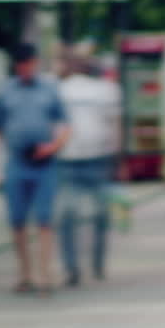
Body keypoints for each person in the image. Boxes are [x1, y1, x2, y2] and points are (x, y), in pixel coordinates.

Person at [0, 44, 70, 295]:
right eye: (21, 65)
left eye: (30, 64)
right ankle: (24, 274)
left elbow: (66, 125)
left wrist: (54, 146)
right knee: (17, 221)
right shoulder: (5, 92)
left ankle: (45, 274)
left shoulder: (49, 90)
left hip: (45, 162)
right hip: (17, 161)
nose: (26, 69)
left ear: (35, 63)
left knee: (45, 219)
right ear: (16, 66)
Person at [55, 50, 121, 288]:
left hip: (89, 157)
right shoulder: (60, 89)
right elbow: (115, 125)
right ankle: (81, 266)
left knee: (79, 215)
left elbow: (114, 124)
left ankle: (88, 264)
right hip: (77, 157)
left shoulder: (102, 89)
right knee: (84, 214)